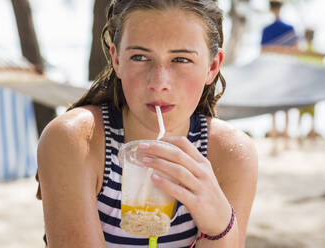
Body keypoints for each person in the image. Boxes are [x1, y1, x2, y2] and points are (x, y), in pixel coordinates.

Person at [36, 1, 258, 247]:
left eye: (181, 59)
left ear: (212, 66)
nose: (159, 82)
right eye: (140, 57)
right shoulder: (76, 141)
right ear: (117, 60)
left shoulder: (230, 154)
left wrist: (219, 226)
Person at [261, 0, 298, 155]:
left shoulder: (282, 28)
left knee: (283, 105)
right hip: (278, 70)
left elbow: (263, 51)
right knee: (278, 106)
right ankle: (277, 140)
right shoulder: (285, 28)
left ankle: (282, 140)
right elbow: (295, 50)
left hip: (280, 70)